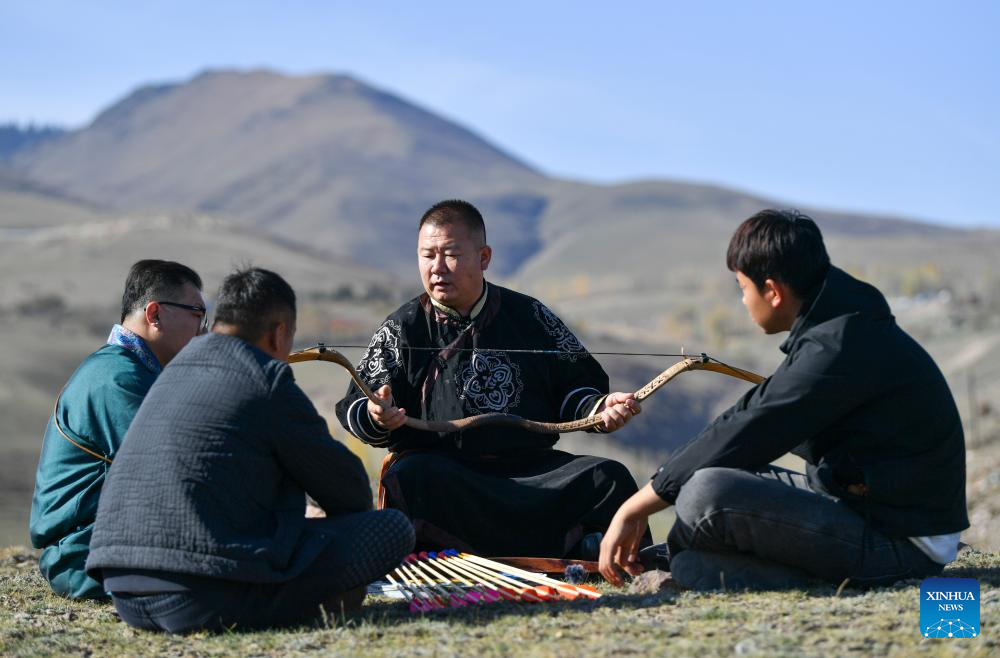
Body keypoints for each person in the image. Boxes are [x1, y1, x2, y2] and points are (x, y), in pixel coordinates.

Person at [599, 209, 968, 590]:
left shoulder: (836, 347)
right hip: (860, 508)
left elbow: (753, 427)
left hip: (901, 543)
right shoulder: (839, 329)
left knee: (706, 493)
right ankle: (687, 563)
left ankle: (692, 565)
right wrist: (656, 492)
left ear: (773, 292)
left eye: (743, 288)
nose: (744, 301)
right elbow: (746, 418)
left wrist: (633, 508)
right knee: (711, 487)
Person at [85, 267, 414, 633]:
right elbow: (348, 490)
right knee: (391, 529)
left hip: (124, 590)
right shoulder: (264, 377)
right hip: (200, 596)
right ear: (278, 334)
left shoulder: (170, 372)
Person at [335, 199, 645, 558]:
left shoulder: (531, 316)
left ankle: (605, 557)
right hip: (448, 475)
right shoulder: (403, 327)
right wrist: (377, 415)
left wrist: (602, 409)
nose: (437, 268)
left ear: (484, 258)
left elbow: (576, 389)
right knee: (412, 475)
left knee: (608, 476)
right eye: (427, 255)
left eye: (452, 255)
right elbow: (360, 404)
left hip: (532, 471)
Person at [29, 259, 205, 599]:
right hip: (85, 554)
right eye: (198, 314)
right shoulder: (117, 379)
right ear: (154, 314)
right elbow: (176, 471)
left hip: (110, 541)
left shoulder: (130, 370)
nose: (202, 330)